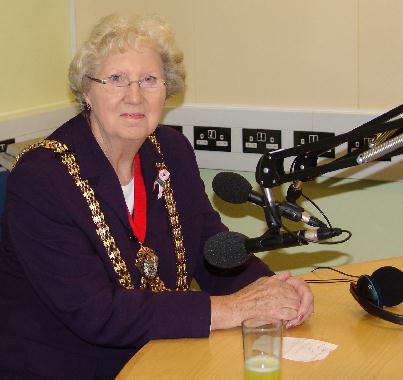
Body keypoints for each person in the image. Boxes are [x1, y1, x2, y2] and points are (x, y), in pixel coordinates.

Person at [0, 14, 313, 379]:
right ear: (86, 91)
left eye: (149, 80)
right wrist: (232, 309)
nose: (134, 95)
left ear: (167, 89)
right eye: (116, 79)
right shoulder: (43, 177)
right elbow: (97, 313)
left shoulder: (171, 150)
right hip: (64, 367)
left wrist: (271, 290)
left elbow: (212, 250)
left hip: (162, 357)